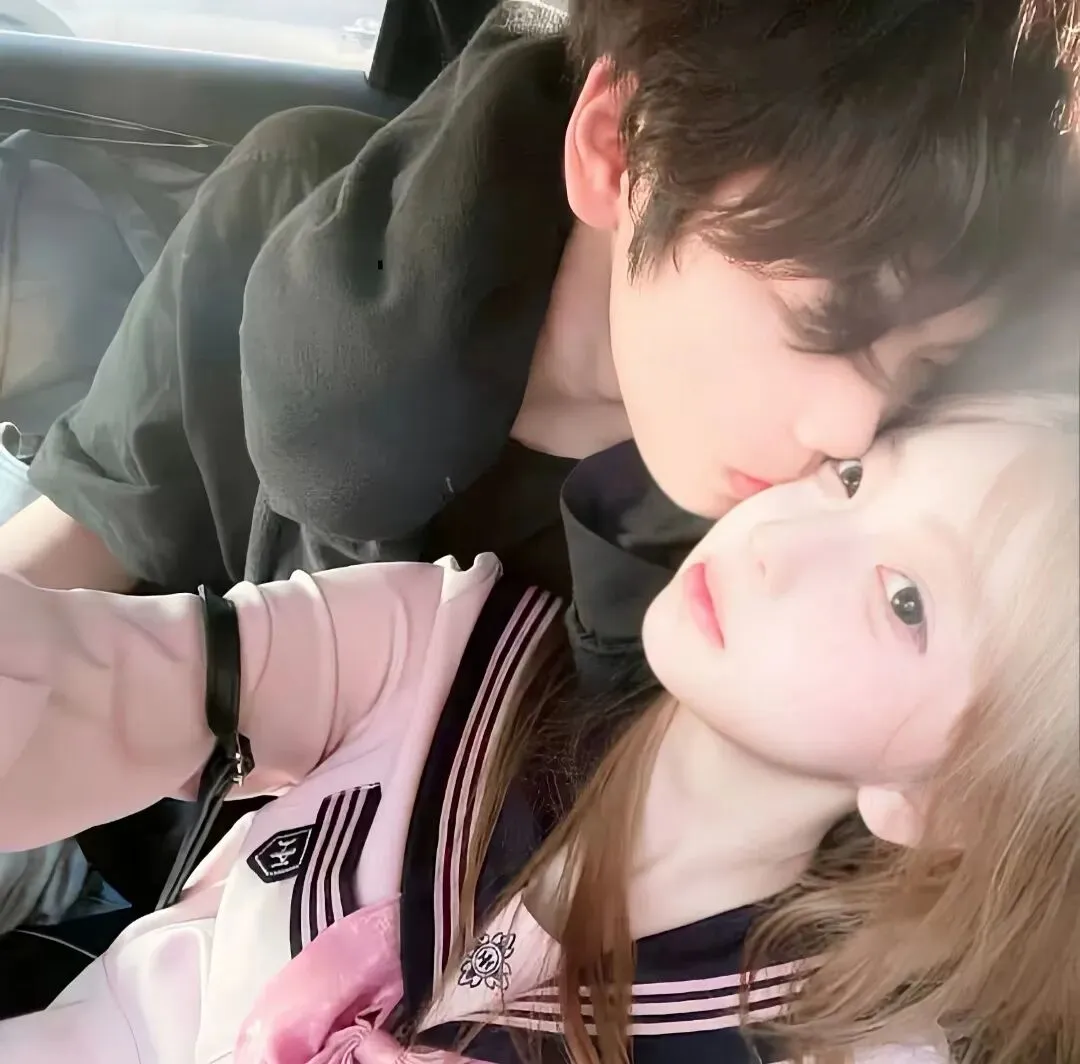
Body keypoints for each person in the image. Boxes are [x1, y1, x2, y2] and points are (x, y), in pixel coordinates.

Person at [0, 390, 1075, 1064]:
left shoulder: (845, 1046)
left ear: (949, 797)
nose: (777, 540)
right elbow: (97, 681)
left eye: (905, 600)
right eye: (851, 477)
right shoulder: (445, 645)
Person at [0, 0, 1076, 617]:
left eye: (921, 366)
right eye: (827, 321)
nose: (855, 429)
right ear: (616, 150)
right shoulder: (300, 199)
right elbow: (93, 522)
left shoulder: (801, 553)